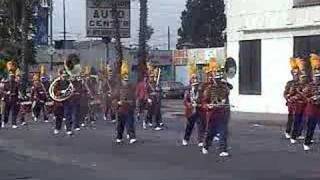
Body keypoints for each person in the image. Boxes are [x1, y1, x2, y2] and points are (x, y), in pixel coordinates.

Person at [202, 58, 232, 157]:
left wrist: (225, 83)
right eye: (217, 79)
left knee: (223, 132)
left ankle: (223, 149)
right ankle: (206, 146)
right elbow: (204, 102)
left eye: (220, 79)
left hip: (223, 113)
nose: (219, 81)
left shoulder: (225, 87)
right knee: (211, 132)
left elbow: (230, 88)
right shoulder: (209, 89)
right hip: (212, 114)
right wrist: (208, 105)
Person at [182, 62, 206, 147]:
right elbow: (185, 101)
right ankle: (185, 139)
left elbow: (203, 100)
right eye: (194, 85)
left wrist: (201, 105)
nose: (196, 86)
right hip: (190, 111)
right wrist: (191, 105)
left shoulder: (200, 92)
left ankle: (200, 140)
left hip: (199, 111)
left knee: (200, 126)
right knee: (189, 126)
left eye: (197, 85)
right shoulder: (188, 92)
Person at [114, 61, 137, 144]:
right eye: (124, 80)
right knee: (120, 125)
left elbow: (134, 98)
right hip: (120, 109)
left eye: (127, 80)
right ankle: (119, 137)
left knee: (130, 123)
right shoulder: (118, 88)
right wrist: (117, 103)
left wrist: (133, 105)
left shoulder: (131, 88)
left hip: (129, 108)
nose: (126, 82)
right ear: (122, 80)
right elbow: (114, 98)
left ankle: (132, 137)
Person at [303, 54, 320, 151]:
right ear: (313, 77)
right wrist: (312, 98)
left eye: (319, 76)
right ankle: (307, 143)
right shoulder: (309, 86)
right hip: (312, 109)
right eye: (316, 77)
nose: (317, 78)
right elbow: (304, 96)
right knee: (311, 127)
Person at [289, 58, 309, 144]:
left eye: (304, 77)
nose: (303, 79)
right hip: (298, 105)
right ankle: (293, 136)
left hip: (305, 105)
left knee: (305, 121)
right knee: (296, 120)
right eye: (302, 77)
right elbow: (291, 94)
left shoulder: (308, 85)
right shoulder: (295, 85)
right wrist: (296, 96)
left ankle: (302, 134)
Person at [283, 58, 300, 139]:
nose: (296, 75)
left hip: (299, 104)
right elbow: (285, 93)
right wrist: (288, 98)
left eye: (297, 74)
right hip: (291, 103)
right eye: (295, 74)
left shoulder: (301, 83)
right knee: (291, 118)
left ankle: (297, 133)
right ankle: (288, 131)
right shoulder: (290, 83)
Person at [2, 61, 20, 129]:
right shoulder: (5, 83)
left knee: (14, 112)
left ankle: (14, 124)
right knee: (6, 112)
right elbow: (3, 91)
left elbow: (17, 91)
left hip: (14, 98)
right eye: (10, 76)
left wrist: (18, 99)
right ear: (8, 76)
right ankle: (4, 121)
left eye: (12, 76)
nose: (11, 77)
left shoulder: (16, 83)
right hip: (7, 99)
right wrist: (6, 93)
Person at [146, 67, 163, 131]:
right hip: (150, 100)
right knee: (149, 113)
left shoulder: (156, 84)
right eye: (151, 77)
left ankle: (157, 125)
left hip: (156, 100)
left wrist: (158, 90)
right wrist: (148, 98)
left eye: (153, 77)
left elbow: (160, 90)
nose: (152, 78)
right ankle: (146, 121)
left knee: (157, 113)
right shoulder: (148, 85)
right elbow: (146, 93)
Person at [52, 69, 68, 135]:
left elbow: (71, 89)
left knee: (68, 115)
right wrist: (60, 92)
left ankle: (67, 126)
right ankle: (57, 128)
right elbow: (54, 91)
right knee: (59, 116)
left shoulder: (68, 82)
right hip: (59, 102)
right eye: (63, 76)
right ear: (60, 75)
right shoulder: (57, 82)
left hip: (67, 100)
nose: (64, 77)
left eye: (65, 76)